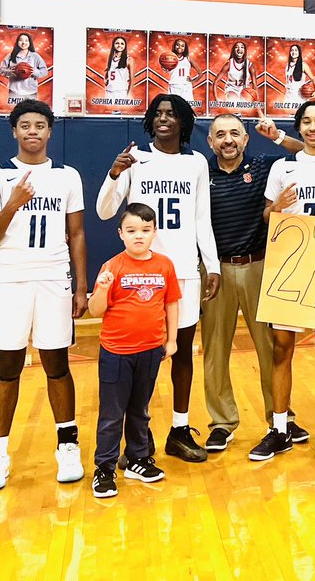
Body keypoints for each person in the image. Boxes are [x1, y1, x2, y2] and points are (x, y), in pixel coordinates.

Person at [96, 94, 220, 464]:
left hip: (184, 269)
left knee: (181, 353)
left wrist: (210, 264)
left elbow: (201, 218)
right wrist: (114, 173)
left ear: (183, 122)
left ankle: (179, 430)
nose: (164, 119)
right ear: (151, 121)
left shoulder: (197, 162)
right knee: (142, 357)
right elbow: (105, 212)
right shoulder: (135, 159)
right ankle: (139, 432)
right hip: (142, 275)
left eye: (172, 114)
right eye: (158, 114)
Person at [0, 100, 88, 492]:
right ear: (14, 131)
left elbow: (76, 234)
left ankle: (67, 445)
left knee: (57, 363)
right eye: (25, 125)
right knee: (7, 368)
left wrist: (80, 284)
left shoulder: (67, 176)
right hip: (9, 279)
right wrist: (12, 204)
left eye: (40, 125)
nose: (32, 132)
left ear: (50, 131)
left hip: (54, 276)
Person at [250, 101, 315, 462]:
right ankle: (279, 429)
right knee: (282, 348)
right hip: (289, 265)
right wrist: (275, 206)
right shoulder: (283, 166)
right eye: (306, 122)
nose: (313, 127)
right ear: (298, 128)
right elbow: (267, 216)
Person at [202, 114, 305, 452]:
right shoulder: (202, 172)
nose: (227, 140)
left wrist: (277, 137)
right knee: (215, 350)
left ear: (246, 140)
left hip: (260, 265)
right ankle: (222, 422)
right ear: (210, 142)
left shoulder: (264, 166)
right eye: (220, 134)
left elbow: (306, 150)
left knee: (270, 347)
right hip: (216, 271)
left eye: (234, 133)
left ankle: (281, 419)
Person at [88, 203, 180, 498]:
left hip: (151, 350)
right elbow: (94, 311)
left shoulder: (165, 265)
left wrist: (172, 340)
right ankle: (104, 467)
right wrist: (101, 289)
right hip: (116, 352)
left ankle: (138, 459)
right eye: (131, 231)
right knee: (112, 413)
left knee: (140, 410)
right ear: (121, 234)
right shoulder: (112, 267)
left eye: (145, 230)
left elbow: (171, 303)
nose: (138, 236)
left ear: (154, 232)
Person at [0, 32, 48, 102]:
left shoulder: (35, 56)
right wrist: (9, 72)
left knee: (31, 111)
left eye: (26, 40)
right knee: (16, 111)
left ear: (29, 42)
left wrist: (34, 72)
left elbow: (45, 71)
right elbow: (1, 69)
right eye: (21, 40)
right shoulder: (10, 56)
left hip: (31, 91)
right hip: (14, 90)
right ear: (17, 42)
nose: (23, 43)